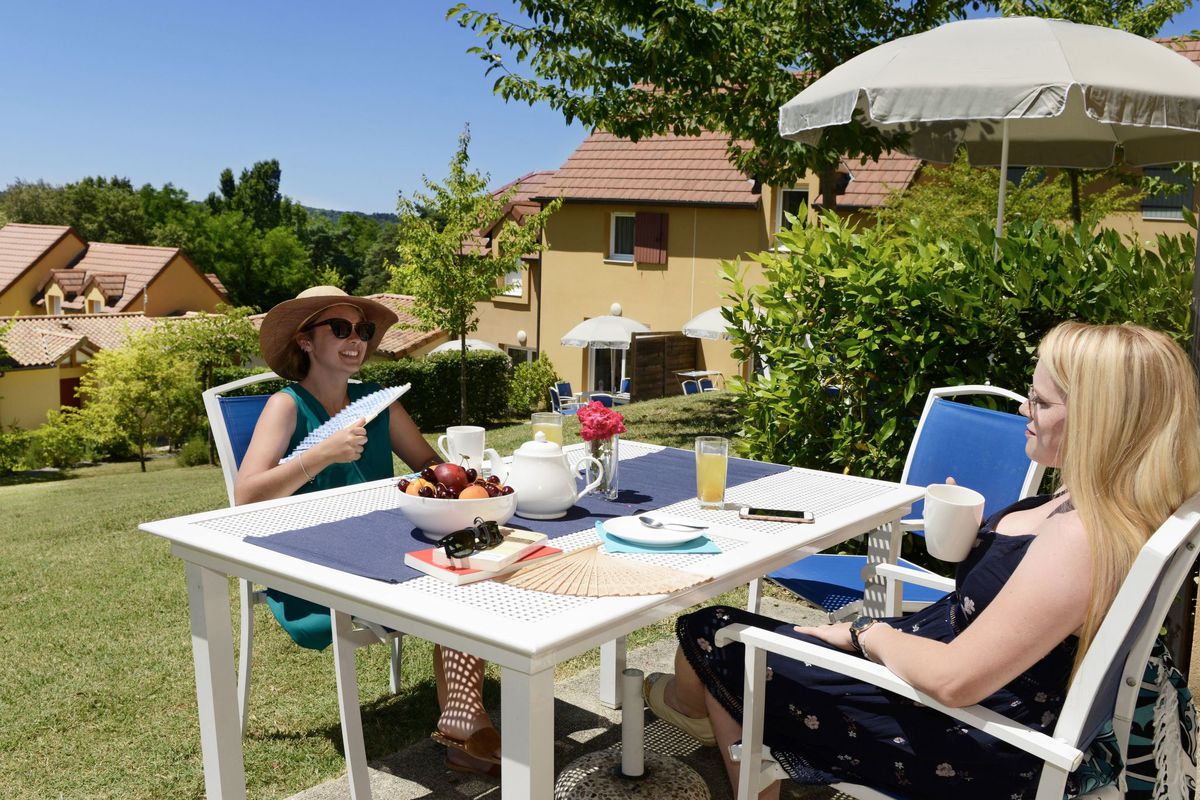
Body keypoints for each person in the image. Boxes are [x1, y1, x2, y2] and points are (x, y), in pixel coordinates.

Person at [643, 321, 1200, 799]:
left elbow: (957, 681)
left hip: (974, 734)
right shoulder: (1104, 506)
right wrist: (972, 539)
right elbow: (1013, 602)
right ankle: (701, 707)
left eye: (1042, 402)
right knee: (734, 645)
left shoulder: (1081, 538)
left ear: (1103, 421)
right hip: (969, 686)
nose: (1025, 410)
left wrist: (862, 634)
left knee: (721, 637)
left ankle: (691, 709)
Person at [236, 285, 501, 778]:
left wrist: (469, 483)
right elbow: (246, 495)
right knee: (453, 581)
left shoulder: (378, 405)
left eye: (362, 330)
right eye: (338, 329)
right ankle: (466, 725)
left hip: (381, 551)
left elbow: (433, 470)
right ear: (306, 342)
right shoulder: (286, 406)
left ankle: (464, 721)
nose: (355, 338)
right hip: (310, 569)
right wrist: (320, 455)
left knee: (465, 570)